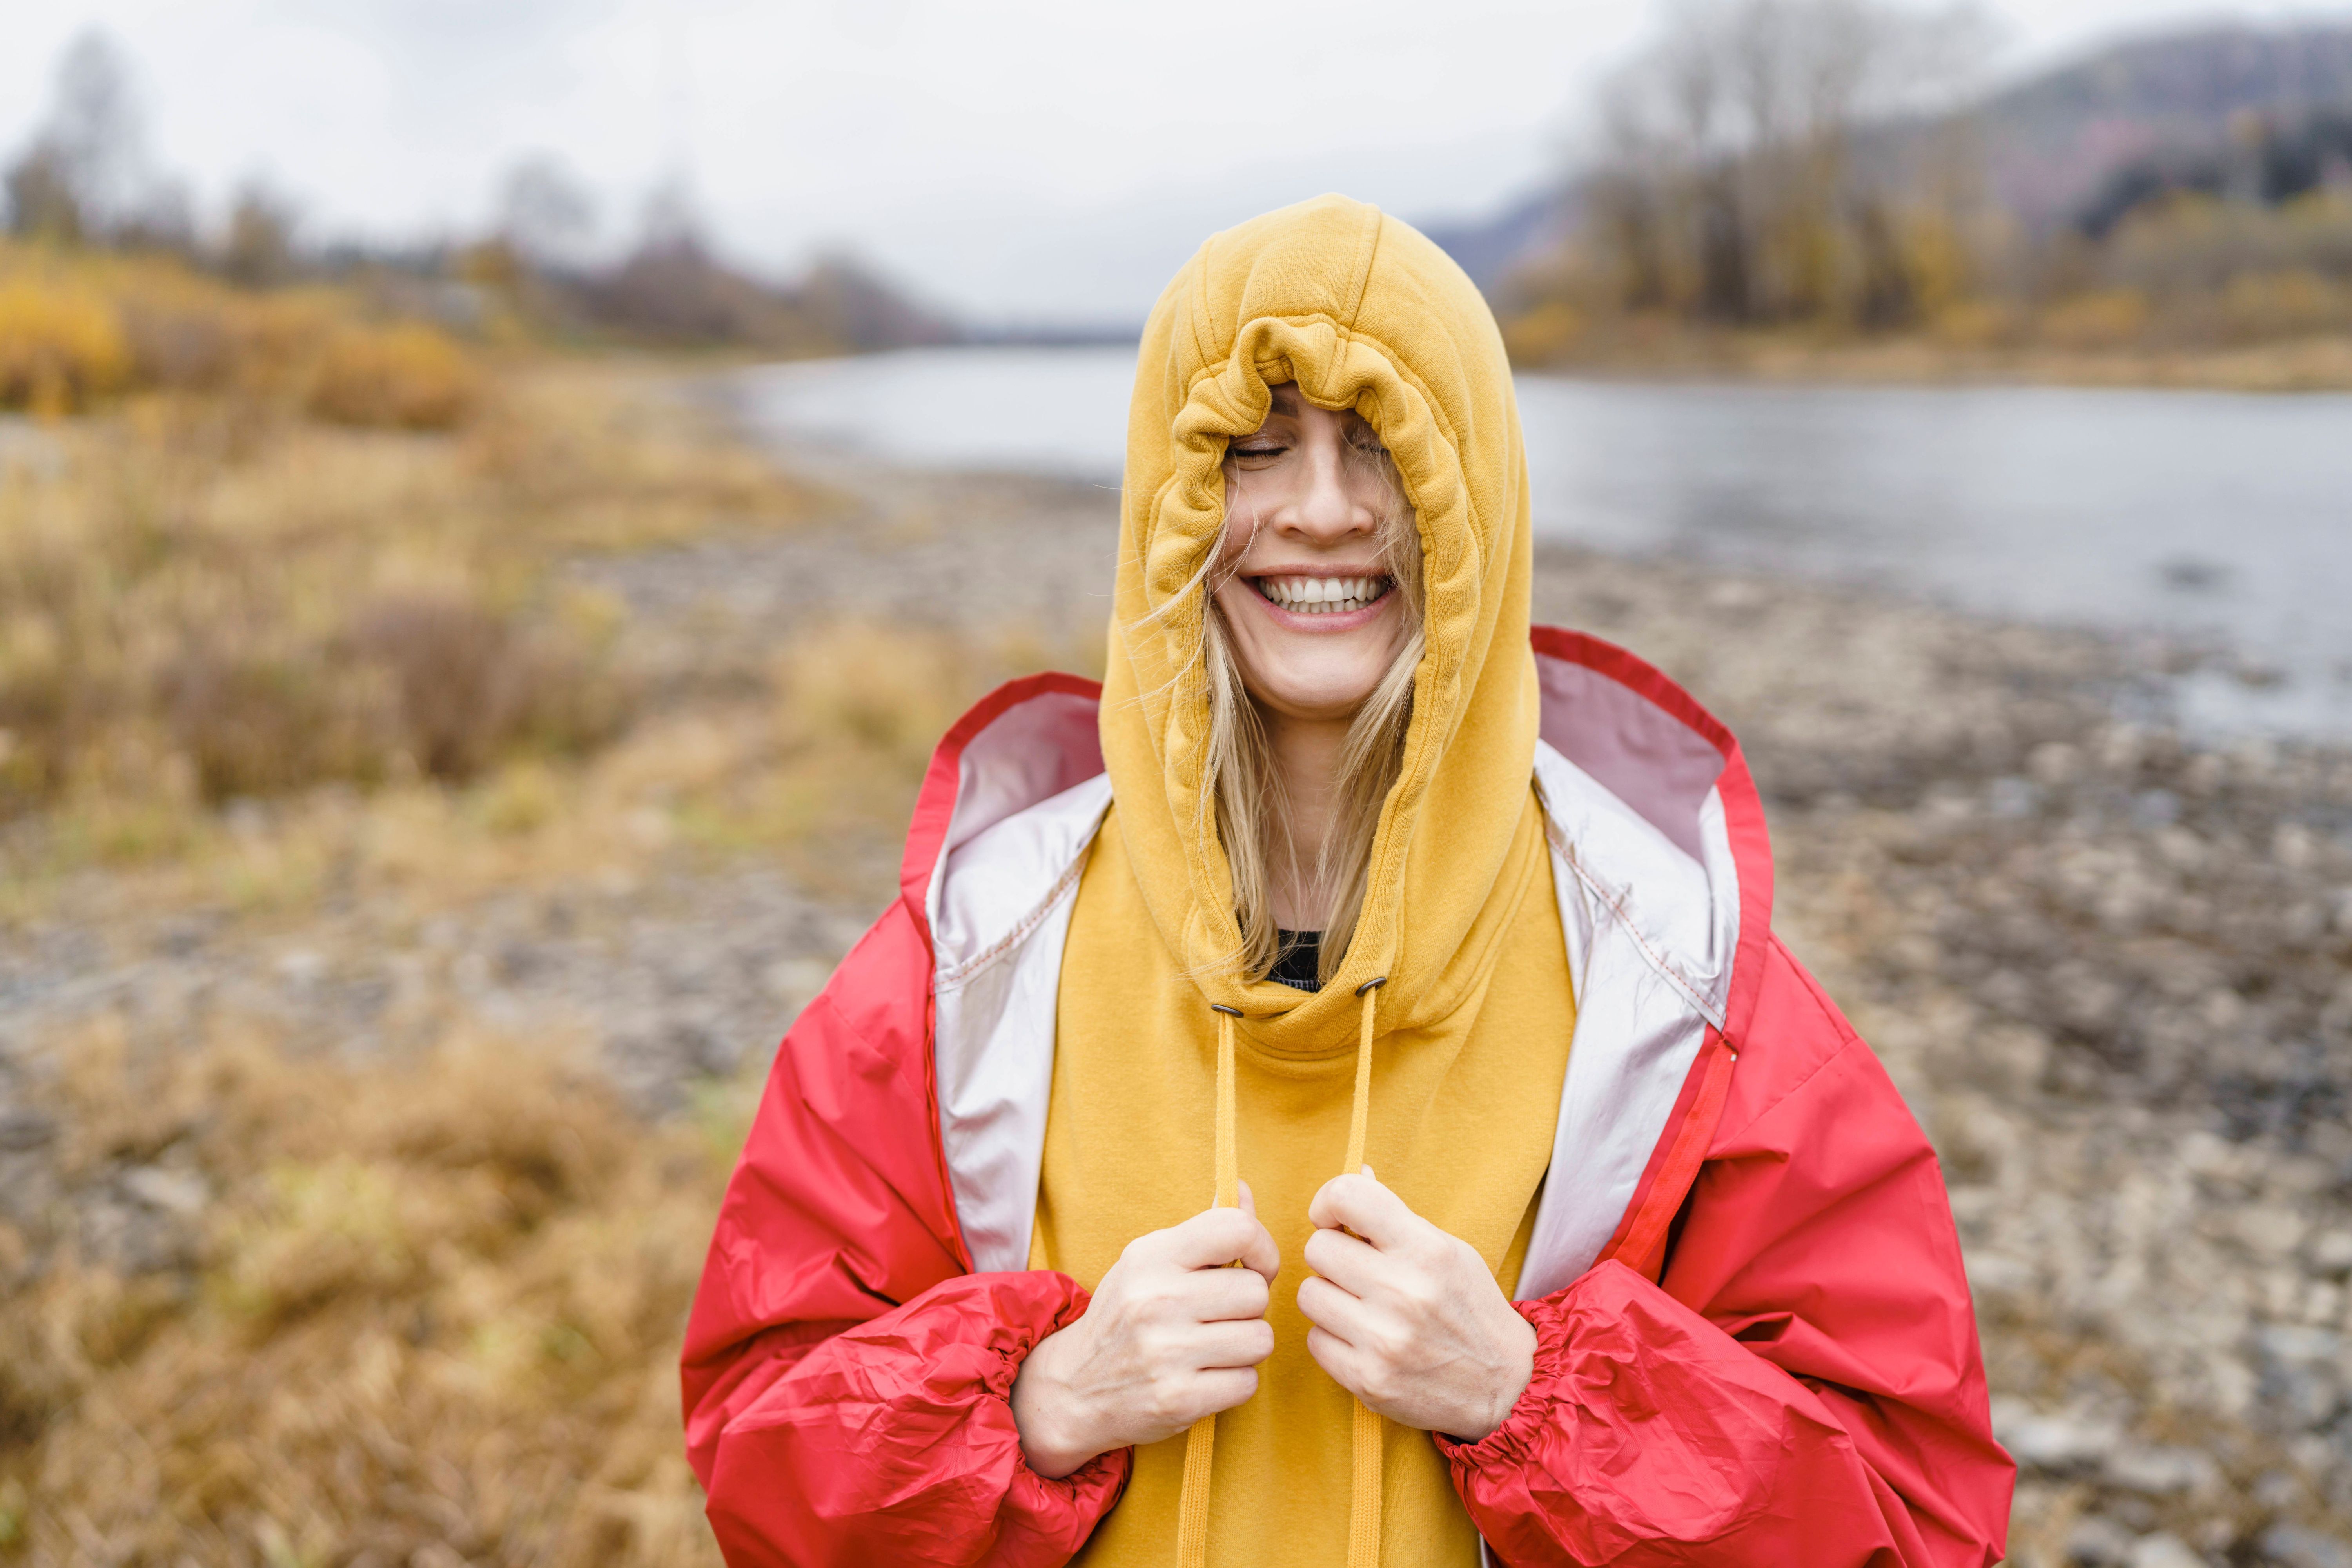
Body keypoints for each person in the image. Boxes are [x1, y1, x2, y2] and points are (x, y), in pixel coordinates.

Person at [681, 195, 2014, 1567]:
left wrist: (1533, 1399)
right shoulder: (973, 962)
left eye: (1382, 447)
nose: (1321, 512)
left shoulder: (1672, 986)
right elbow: (759, 1452)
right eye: (1254, 451)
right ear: (1169, 499)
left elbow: (1915, 1523)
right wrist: (1044, 1401)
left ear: (1476, 496)